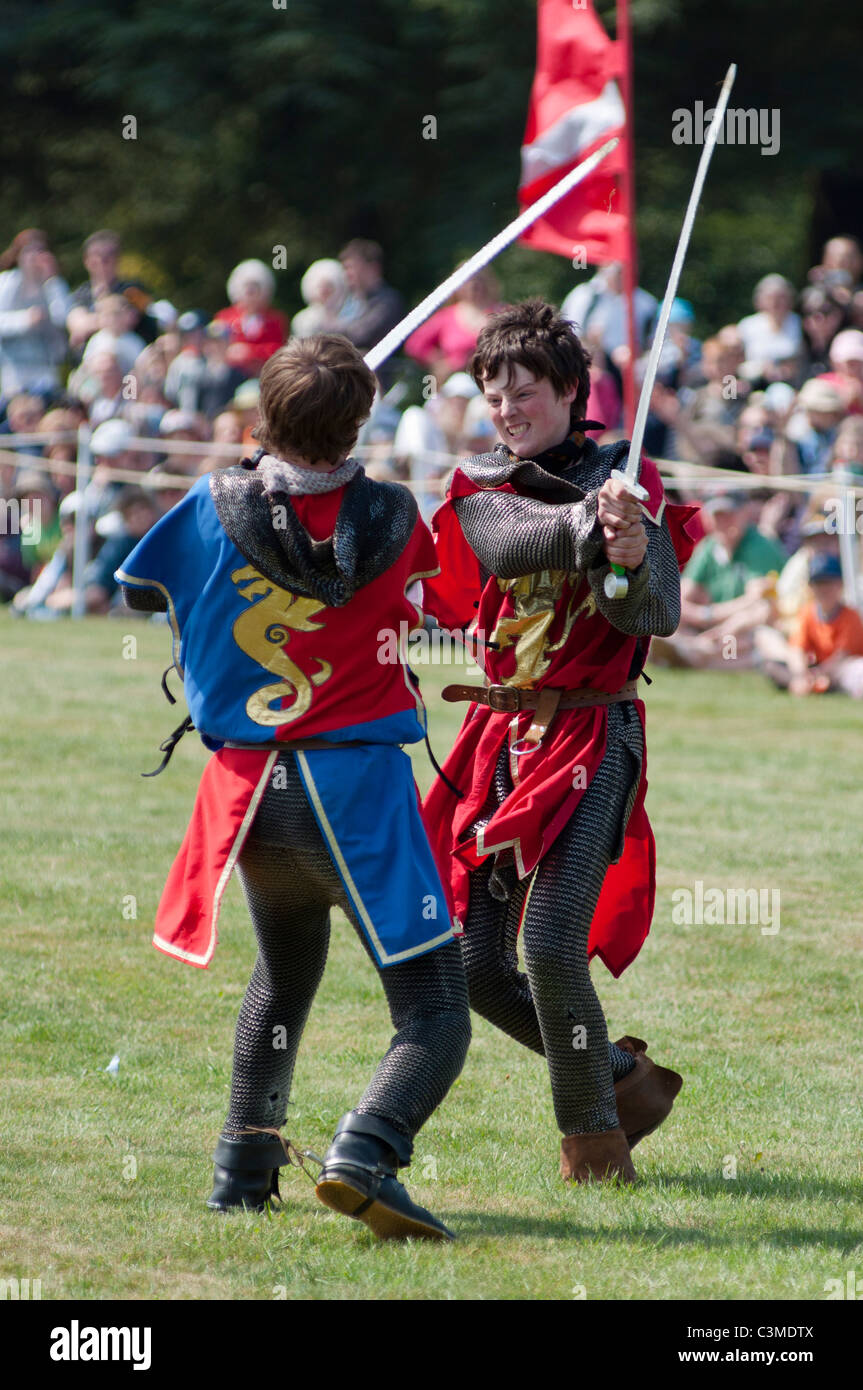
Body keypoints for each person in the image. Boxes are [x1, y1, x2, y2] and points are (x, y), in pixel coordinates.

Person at [115, 334, 470, 1239]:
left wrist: (249, 477)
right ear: (359, 422)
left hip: (250, 798)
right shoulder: (394, 512)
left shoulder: (208, 505)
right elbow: (436, 605)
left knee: (283, 974)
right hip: (351, 788)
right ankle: (364, 1153)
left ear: (263, 416)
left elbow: (139, 594)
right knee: (433, 1009)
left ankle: (242, 1169)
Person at [422, 300, 695, 1185]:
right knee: (470, 961)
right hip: (499, 736)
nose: (506, 409)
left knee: (547, 948)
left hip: (592, 733)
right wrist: (593, 527)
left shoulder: (628, 477)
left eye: (524, 391)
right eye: (492, 394)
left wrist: (628, 549)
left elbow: (650, 611)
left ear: (570, 391)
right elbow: (507, 544)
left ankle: (595, 1153)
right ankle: (621, 1078)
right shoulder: (481, 486)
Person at [0, 228, 70, 403]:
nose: (34, 257)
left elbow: (64, 318)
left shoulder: (54, 285)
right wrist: (25, 319)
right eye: (29, 251)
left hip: (46, 364)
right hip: (14, 366)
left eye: (40, 251)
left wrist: (51, 281)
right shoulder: (7, 282)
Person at [213, 260, 288, 372]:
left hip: (264, 373)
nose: (250, 291)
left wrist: (251, 352)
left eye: (255, 287)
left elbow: (280, 350)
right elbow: (214, 349)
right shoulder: (224, 318)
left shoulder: (275, 319)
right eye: (246, 287)